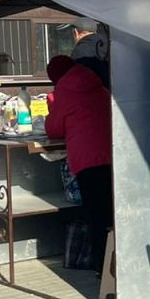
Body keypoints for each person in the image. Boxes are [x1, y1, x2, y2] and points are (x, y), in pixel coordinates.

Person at [44, 55, 113, 274]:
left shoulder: (65, 92)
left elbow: (53, 129)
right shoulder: (99, 86)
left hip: (87, 159)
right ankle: (114, 265)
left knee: (96, 214)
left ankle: (101, 267)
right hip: (113, 154)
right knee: (111, 211)